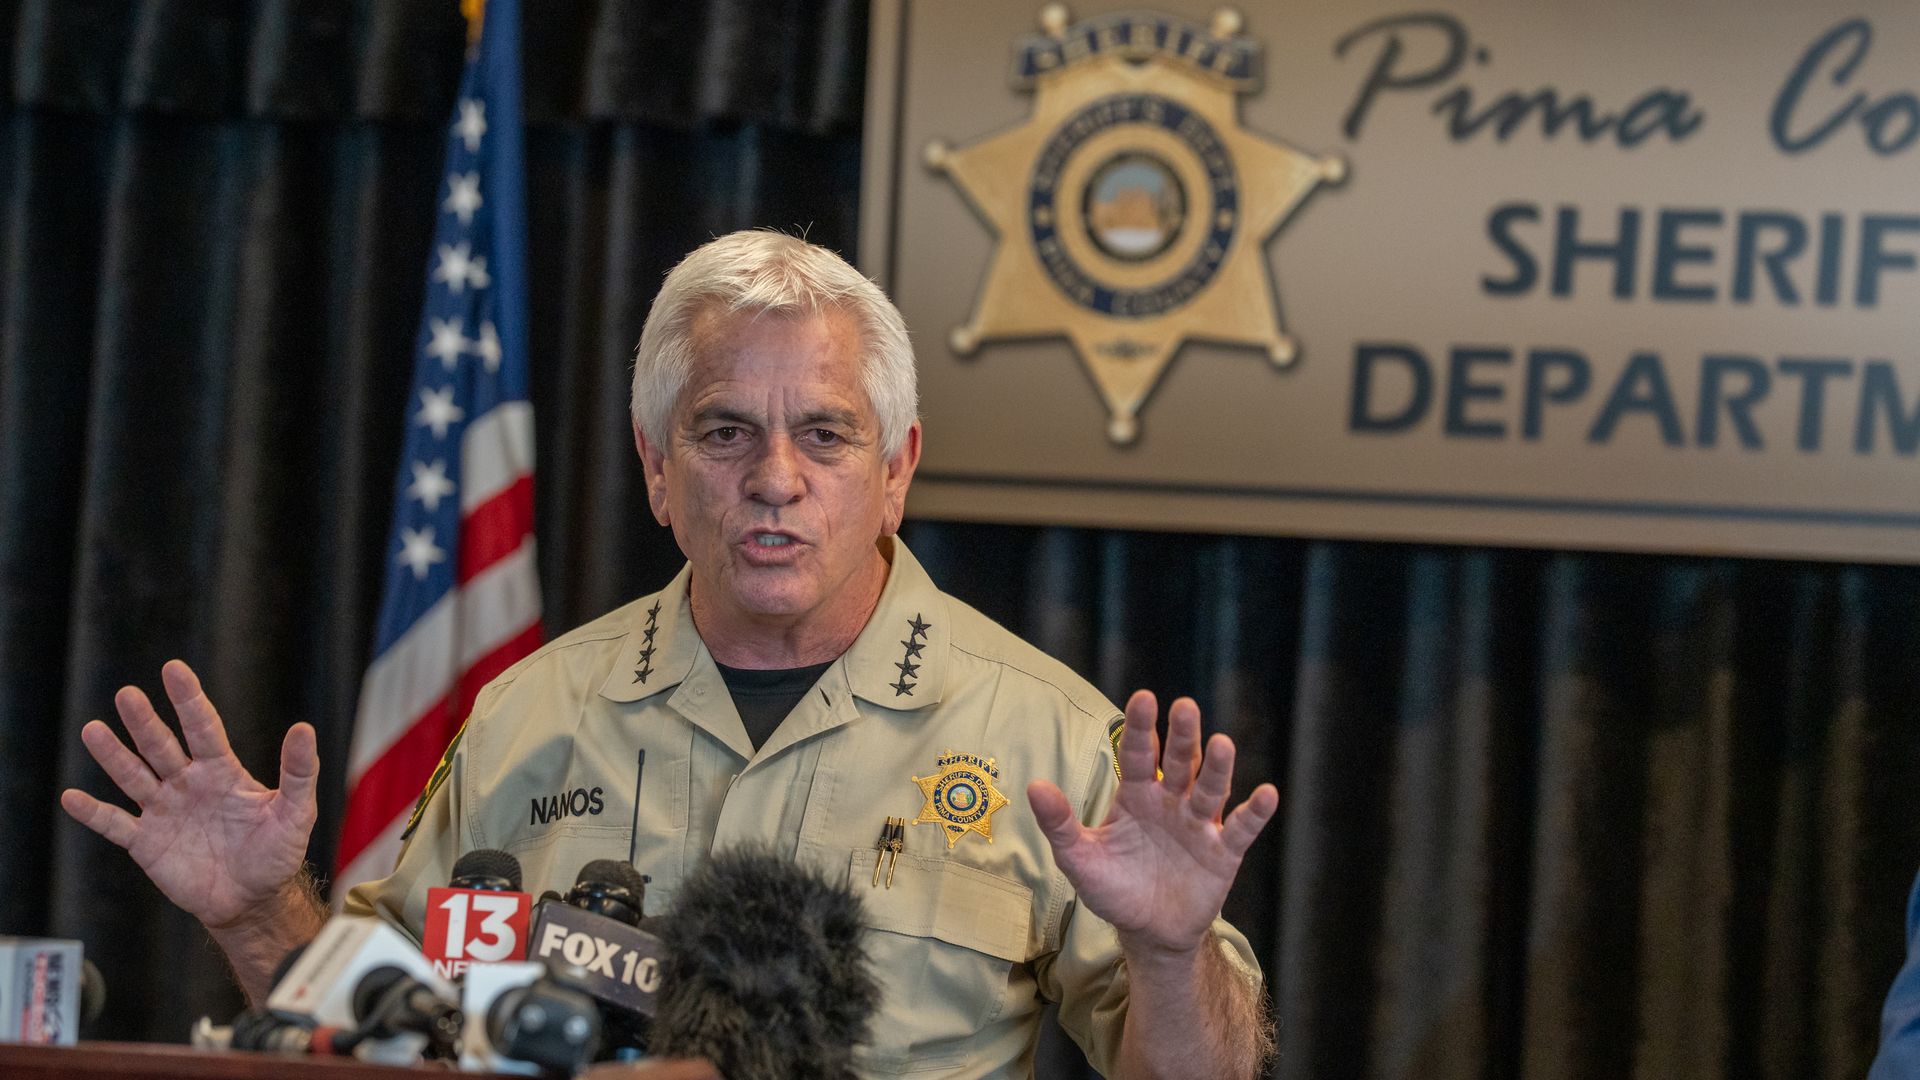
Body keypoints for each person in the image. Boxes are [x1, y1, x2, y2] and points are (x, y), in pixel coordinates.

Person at [61, 231, 1281, 1078]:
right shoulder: (528, 714)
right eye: (723, 431)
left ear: (898, 469)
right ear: (655, 467)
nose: (774, 479)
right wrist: (256, 910)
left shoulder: (1049, 741)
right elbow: (378, 1035)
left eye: (825, 434)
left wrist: (1171, 954)